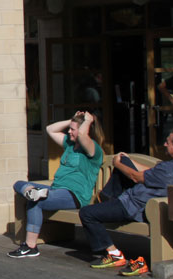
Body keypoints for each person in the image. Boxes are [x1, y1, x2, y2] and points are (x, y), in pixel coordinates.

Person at [78, 128, 173, 276]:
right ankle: (108, 198)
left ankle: (113, 254)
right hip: (149, 204)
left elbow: (135, 177)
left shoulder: (166, 169)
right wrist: (128, 160)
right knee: (124, 162)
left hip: (133, 206)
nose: (165, 144)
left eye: (168, 142)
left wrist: (117, 163)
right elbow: (149, 172)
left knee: (86, 213)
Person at [8, 111, 104, 259]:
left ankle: (30, 246)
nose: (69, 132)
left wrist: (88, 121)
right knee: (19, 184)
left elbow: (83, 136)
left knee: (36, 202)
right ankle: (32, 191)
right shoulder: (70, 145)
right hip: (56, 190)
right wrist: (71, 119)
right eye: (69, 128)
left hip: (74, 195)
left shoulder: (93, 150)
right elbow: (50, 129)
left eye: (73, 129)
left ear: (85, 129)